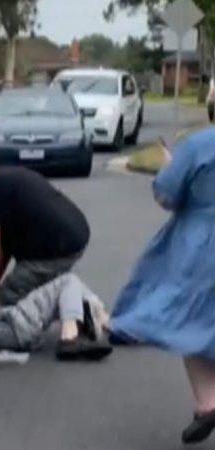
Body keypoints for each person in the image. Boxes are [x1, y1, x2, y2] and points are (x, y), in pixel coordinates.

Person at [108, 128, 215, 445]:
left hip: (200, 246)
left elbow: (165, 195)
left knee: (189, 320)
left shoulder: (198, 145)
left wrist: (170, 166)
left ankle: (208, 402)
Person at [0, 162, 91, 313]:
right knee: (45, 291)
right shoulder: (7, 180)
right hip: (74, 236)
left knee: (5, 301)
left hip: (55, 248)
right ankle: (79, 309)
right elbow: (2, 253)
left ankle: (80, 311)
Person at [0, 273, 112, 360]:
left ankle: (95, 315)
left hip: (14, 326)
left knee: (71, 284)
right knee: (68, 281)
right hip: (16, 325)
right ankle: (71, 336)